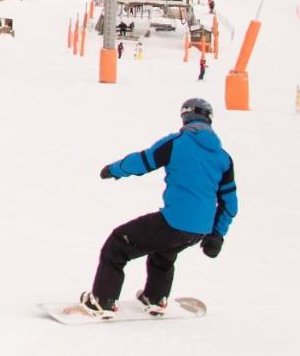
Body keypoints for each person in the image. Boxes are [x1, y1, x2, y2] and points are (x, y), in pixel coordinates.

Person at [80, 98, 238, 318]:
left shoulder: (177, 142)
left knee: (118, 243)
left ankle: (102, 300)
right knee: (164, 252)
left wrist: (114, 170)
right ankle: (154, 297)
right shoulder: (224, 158)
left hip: (174, 221)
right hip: (199, 230)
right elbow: (230, 203)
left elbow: (143, 161)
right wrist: (217, 235)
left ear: (184, 117)